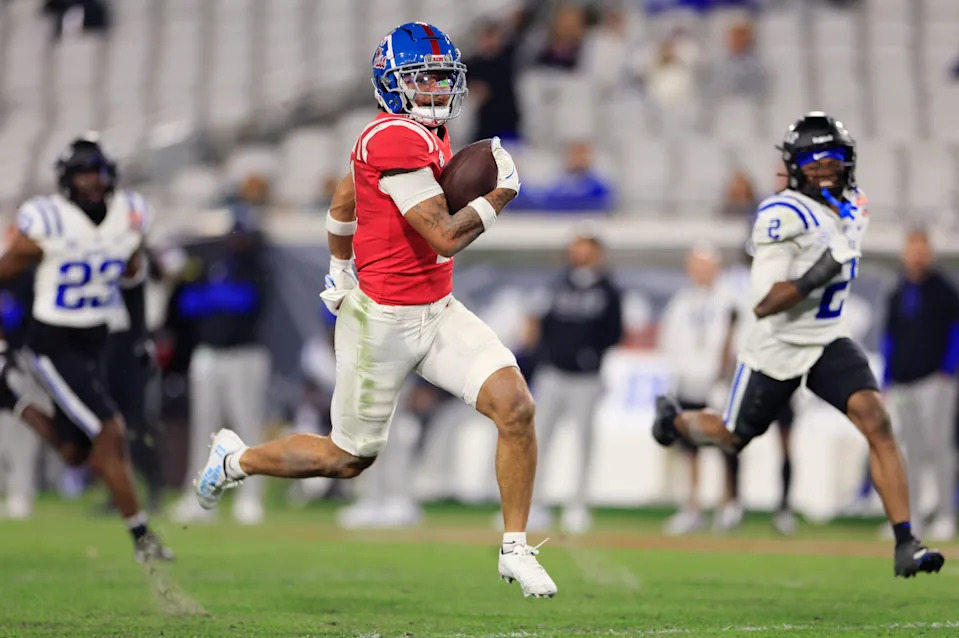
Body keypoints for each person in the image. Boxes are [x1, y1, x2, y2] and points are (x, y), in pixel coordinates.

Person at [191, 22, 556, 598]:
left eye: (442, 77)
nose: (436, 89)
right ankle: (237, 459)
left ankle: (515, 548)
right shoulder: (394, 139)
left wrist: (339, 265)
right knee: (345, 459)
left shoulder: (424, 133)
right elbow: (444, 237)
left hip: (437, 309)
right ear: (391, 83)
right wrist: (499, 194)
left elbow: (344, 200)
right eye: (422, 78)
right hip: (380, 323)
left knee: (516, 407)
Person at [650, 112, 944, 578]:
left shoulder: (854, 203)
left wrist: (833, 255)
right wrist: (824, 267)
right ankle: (675, 421)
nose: (827, 167)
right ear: (794, 165)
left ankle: (906, 542)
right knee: (732, 435)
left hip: (826, 339)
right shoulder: (781, 215)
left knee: (876, 420)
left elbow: (842, 233)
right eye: (814, 159)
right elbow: (765, 303)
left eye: (835, 157)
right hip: (777, 345)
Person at [0, 134, 173, 562]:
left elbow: (132, 275)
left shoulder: (129, 216)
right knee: (109, 430)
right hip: (53, 340)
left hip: (98, 339)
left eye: (96, 172)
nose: (91, 182)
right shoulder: (47, 221)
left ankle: (8, 397)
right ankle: (143, 538)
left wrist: (139, 335)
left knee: (76, 452)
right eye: (81, 174)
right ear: (66, 180)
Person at [524, 229, 622, 533]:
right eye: (576, 246)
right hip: (553, 374)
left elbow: (614, 332)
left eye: (585, 247)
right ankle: (533, 504)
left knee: (584, 443)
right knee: (539, 440)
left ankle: (578, 505)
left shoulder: (608, 290)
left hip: (586, 379)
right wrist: (543, 355)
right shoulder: (556, 283)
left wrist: (590, 355)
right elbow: (537, 322)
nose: (579, 252)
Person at [883, 229, 959, 541]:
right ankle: (912, 516)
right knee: (910, 451)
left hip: (934, 380)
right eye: (912, 249)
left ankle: (945, 514)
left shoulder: (942, 289)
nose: (916, 256)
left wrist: (947, 370)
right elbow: (890, 337)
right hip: (904, 381)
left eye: (921, 249)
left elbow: (955, 330)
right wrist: (887, 377)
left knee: (939, 447)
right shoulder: (898, 290)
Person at [659, 243, 737, 535]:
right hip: (688, 383)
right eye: (695, 266)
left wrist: (724, 375)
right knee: (689, 447)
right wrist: (677, 373)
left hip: (718, 383)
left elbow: (735, 339)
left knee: (725, 444)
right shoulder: (682, 301)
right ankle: (692, 506)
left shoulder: (729, 300)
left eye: (705, 266)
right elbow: (670, 338)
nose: (700, 272)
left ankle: (727, 504)